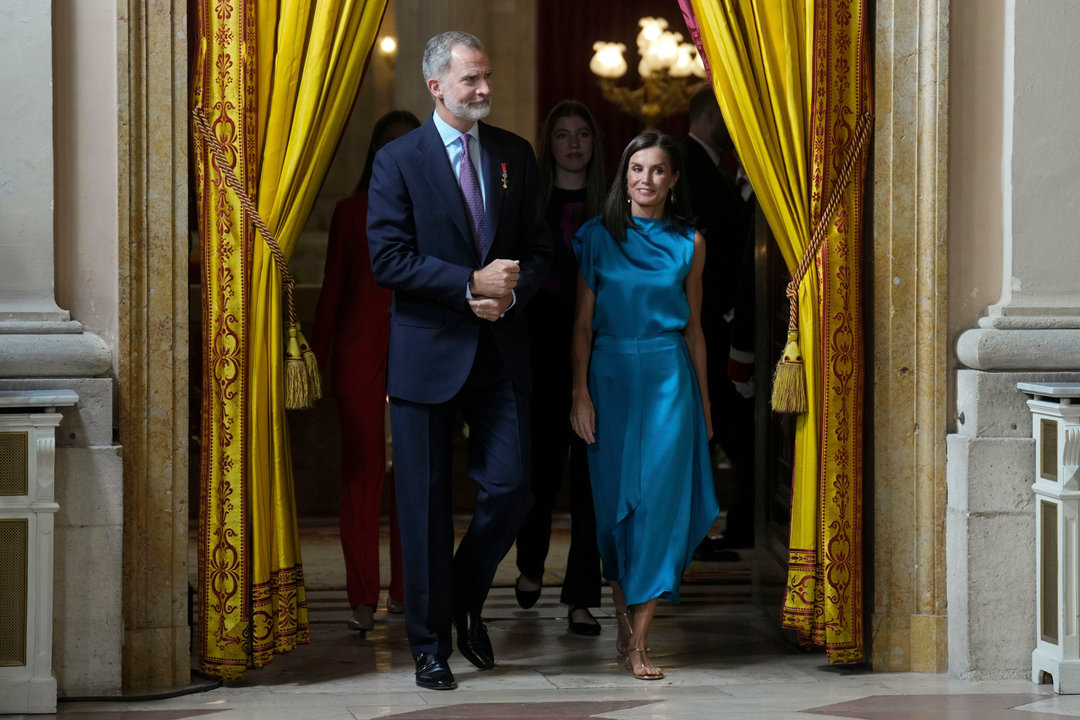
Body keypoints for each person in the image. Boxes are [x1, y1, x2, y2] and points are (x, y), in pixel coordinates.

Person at [366, 31, 551, 691]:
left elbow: (541, 252)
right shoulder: (397, 161)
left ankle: (464, 596)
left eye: (487, 77)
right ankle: (428, 646)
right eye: (471, 79)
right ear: (436, 86)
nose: (484, 90)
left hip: (500, 352)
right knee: (422, 507)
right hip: (427, 355)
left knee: (514, 487)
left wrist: (510, 294)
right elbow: (387, 259)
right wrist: (469, 285)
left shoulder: (515, 155)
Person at [570, 132, 719, 680]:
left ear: (674, 180)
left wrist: (703, 402)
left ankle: (638, 641)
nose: (646, 180)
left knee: (658, 508)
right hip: (608, 378)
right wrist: (579, 392)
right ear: (623, 176)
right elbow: (582, 324)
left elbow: (697, 330)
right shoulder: (595, 237)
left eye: (658, 171)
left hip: (668, 380)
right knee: (614, 514)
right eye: (637, 168)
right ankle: (623, 623)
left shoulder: (691, 243)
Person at [312, 110, 420, 635]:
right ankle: (361, 596)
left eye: (408, 146)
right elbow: (333, 289)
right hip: (359, 357)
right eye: (388, 146)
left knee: (412, 480)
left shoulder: (435, 211)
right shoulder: (351, 212)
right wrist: (314, 359)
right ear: (377, 155)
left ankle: (405, 591)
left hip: (420, 356)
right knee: (362, 478)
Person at [512, 100, 604, 636]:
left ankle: (581, 599)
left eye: (583, 133)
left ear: (595, 143)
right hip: (539, 349)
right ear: (548, 142)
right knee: (539, 474)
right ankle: (529, 564)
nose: (573, 143)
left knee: (590, 481)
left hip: (598, 351)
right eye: (563, 133)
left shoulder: (612, 207)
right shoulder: (531, 203)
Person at [678, 86, 756, 556]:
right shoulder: (687, 161)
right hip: (705, 320)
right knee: (713, 429)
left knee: (725, 430)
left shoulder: (709, 164)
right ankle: (698, 531)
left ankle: (731, 524)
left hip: (722, 322)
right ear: (711, 115)